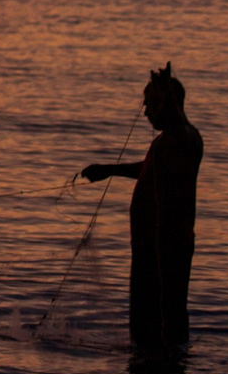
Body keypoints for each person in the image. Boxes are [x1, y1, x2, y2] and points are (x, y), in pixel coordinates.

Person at [83, 64, 203, 345]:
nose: (146, 113)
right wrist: (109, 170)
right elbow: (149, 169)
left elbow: (167, 203)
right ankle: (159, 370)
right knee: (154, 317)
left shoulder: (183, 141)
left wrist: (161, 256)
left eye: (150, 106)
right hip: (153, 247)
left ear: (165, 105)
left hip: (164, 248)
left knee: (163, 315)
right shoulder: (167, 143)